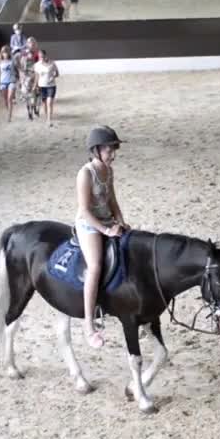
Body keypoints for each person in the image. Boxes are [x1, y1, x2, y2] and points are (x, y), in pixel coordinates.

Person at [75, 126, 129, 349]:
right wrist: (106, 231)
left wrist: (121, 221)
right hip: (89, 225)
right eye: (109, 150)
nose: (113, 155)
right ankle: (89, 325)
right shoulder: (86, 173)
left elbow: (113, 201)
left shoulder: (109, 171)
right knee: (95, 266)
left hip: (108, 220)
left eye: (114, 149)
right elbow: (85, 210)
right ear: (96, 150)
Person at [34, 49, 59, 126]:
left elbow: (57, 73)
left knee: (49, 102)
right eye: (40, 57)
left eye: (42, 56)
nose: (41, 58)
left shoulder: (52, 63)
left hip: (51, 85)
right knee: (44, 103)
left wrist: (53, 77)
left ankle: (49, 119)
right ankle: (46, 117)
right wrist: (35, 86)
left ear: (45, 56)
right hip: (42, 86)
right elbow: (36, 76)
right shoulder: (37, 65)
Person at [0, 45, 16, 122]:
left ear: (9, 53)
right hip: (3, 82)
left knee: (9, 98)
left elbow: (18, 69)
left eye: (6, 53)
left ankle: (9, 116)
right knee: (5, 99)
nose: (5, 54)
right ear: (1, 53)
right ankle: (8, 111)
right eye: (3, 53)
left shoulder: (12, 60)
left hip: (11, 81)